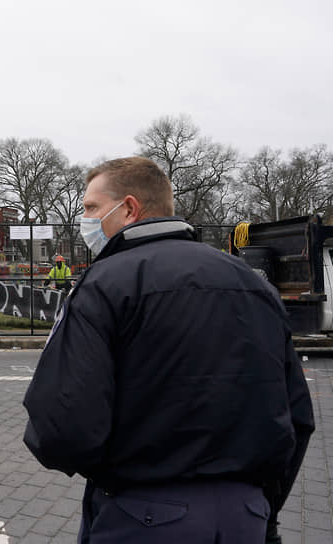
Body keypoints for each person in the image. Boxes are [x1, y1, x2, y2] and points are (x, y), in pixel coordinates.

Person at [23, 157, 314, 543]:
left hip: (142, 513)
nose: (86, 220)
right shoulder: (253, 284)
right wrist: (262, 507)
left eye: (92, 208)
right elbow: (295, 414)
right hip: (246, 514)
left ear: (129, 208)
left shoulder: (105, 283)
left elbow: (62, 423)